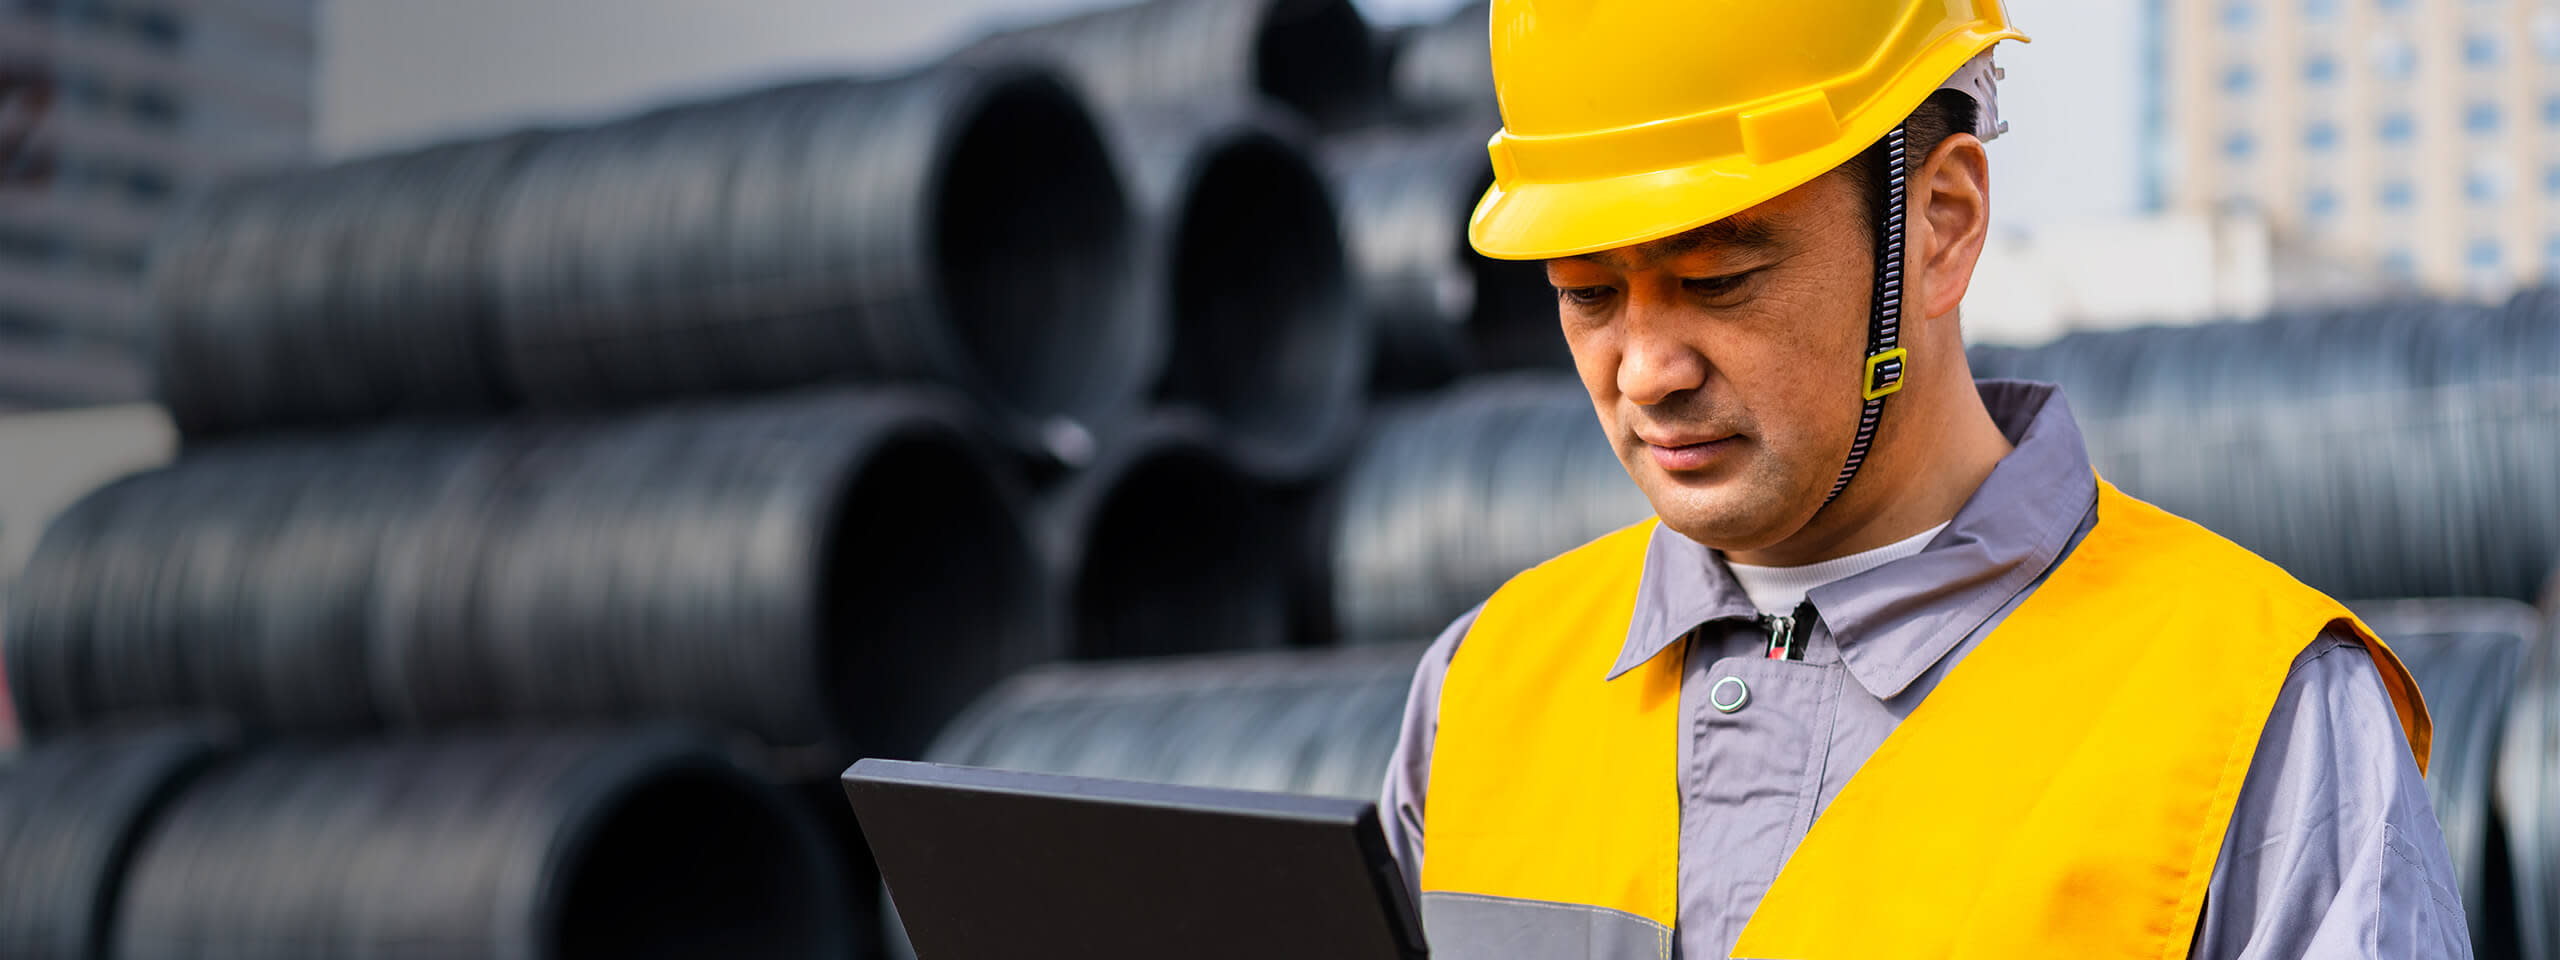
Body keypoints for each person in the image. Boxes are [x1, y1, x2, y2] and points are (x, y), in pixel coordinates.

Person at [1378, 3, 2471, 958]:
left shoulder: (2258, 720)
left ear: (1939, 225)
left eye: (1720, 280)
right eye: (1586, 294)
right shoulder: (1481, 693)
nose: (1647, 370)